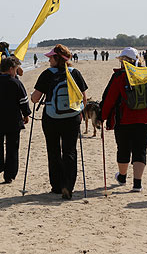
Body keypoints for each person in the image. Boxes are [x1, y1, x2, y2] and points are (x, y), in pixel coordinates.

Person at [100, 47, 147, 192]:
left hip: (123, 119)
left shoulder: (119, 76)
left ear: (123, 61)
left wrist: (102, 117)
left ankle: (122, 177)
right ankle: (137, 184)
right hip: (145, 118)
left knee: (123, 148)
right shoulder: (146, 74)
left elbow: (109, 99)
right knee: (140, 150)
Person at [31, 44, 88, 199]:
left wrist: (32, 96)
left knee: (54, 151)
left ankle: (56, 186)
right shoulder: (75, 73)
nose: (49, 59)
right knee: (70, 151)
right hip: (72, 118)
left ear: (57, 58)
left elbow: (35, 98)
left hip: (51, 118)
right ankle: (68, 186)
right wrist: (80, 113)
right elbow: (83, 98)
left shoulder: (47, 74)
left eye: (51, 57)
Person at [0, 56, 31, 183]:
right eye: (16, 69)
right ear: (10, 69)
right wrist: (26, 115)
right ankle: (9, 175)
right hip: (13, 121)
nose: (16, 72)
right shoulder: (16, 83)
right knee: (12, 148)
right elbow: (23, 102)